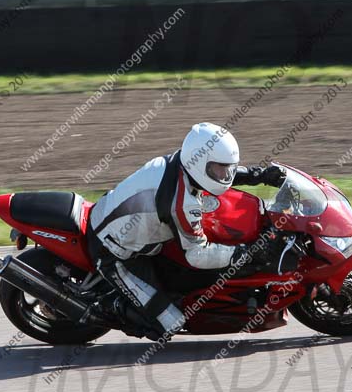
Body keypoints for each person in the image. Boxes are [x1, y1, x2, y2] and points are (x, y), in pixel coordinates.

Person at [88, 122, 286, 340]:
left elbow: (216, 175)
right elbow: (197, 255)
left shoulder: (183, 162)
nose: (225, 175)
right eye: (220, 169)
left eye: (227, 168)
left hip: (132, 224)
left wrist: (257, 175)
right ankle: (105, 308)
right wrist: (246, 253)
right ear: (200, 163)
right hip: (115, 252)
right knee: (169, 323)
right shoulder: (181, 203)